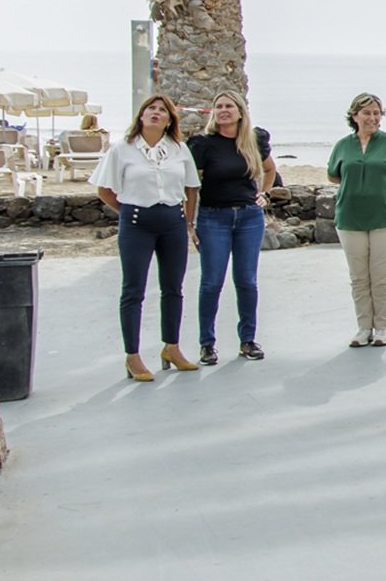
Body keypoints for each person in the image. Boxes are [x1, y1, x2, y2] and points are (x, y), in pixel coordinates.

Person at [91, 95, 201, 382]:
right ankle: (133, 356)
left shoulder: (179, 149)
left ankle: (172, 347)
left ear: (169, 120)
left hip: (173, 225)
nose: (156, 113)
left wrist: (188, 222)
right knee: (133, 290)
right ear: (141, 116)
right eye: (150, 109)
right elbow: (104, 190)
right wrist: (128, 209)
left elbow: (191, 188)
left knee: (173, 288)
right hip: (137, 225)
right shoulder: (122, 150)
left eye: (162, 110)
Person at [188, 91, 275, 364]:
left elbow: (270, 170)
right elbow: (190, 184)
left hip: (249, 218)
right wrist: (189, 223)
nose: (223, 110)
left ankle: (247, 341)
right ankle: (207, 344)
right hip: (214, 218)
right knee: (212, 282)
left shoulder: (254, 141)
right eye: (218, 106)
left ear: (240, 111)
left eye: (229, 106)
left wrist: (265, 194)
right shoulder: (203, 144)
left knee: (247, 281)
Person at [327, 93, 386, 347]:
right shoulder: (343, 146)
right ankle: (364, 327)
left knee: (381, 276)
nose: (372, 118)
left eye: (376, 113)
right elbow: (333, 175)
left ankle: (383, 328)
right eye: (366, 113)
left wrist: (384, 190)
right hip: (350, 218)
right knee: (359, 277)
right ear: (355, 116)